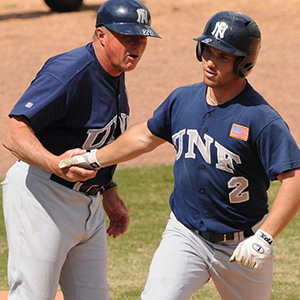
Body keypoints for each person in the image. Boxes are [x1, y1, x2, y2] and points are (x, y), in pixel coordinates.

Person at [59, 10, 300, 300]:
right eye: (207, 51)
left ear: (243, 64)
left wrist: (265, 237)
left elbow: (295, 179)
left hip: (242, 243)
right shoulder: (183, 100)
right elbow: (145, 136)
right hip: (186, 234)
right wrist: (95, 158)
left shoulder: (260, 119)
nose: (210, 62)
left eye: (223, 56)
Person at [1, 0, 160, 299]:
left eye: (141, 38)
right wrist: (53, 162)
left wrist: (109, 190)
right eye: (127, 38)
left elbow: (95, 141)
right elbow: (14, 133)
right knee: (34, 295)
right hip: (41, 196)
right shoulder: (70, 72)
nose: (136, 46)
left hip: (87, 204)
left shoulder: (114, 71)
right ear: (101, 35)